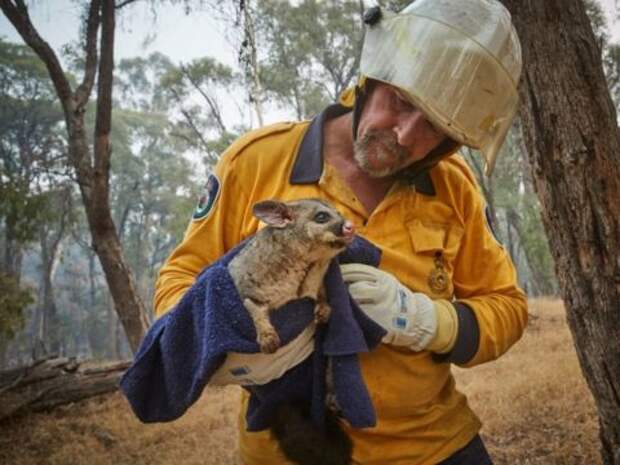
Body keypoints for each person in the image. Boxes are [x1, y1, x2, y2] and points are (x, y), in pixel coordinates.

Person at [153, 0, 527, 463]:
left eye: (433, 127)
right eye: (402, 102)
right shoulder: (257, 162)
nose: (406, 136)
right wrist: (226, 343)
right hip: (287, 449)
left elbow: (507, 308)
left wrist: (428, 321)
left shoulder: (455, 188)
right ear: (373, 76)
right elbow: (179, 279)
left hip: (433, 446)